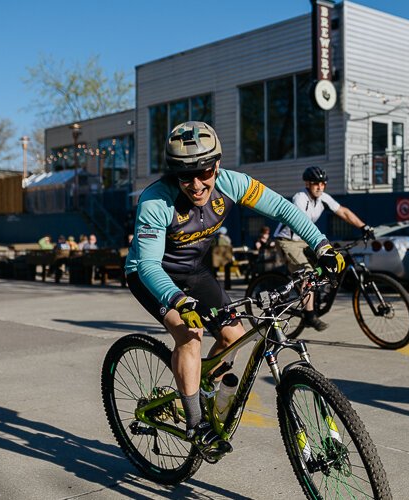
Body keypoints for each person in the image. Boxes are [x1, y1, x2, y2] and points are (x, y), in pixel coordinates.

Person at [124, 121, 344, 458]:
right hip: (151, 275)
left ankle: (201, 389)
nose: (196, 184)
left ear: (217, 165)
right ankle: (195, 422)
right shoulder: (156, 201)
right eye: (186, 176)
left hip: (194, 271)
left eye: (205, 172)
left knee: (232, 336)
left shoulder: (233, 184)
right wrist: (179, 301)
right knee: (190, 333)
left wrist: (321, 246)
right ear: (173, 174)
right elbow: (150, 266)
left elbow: (285, 209)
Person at [273, 165, 373, 331]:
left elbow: (344, 212)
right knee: (306, 273)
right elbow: (300, 223)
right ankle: (310, 315)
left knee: (330, 261)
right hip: (288, 240)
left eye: (323, 183)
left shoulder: (323, 198)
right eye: (315, 183)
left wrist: (364, 227)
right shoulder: (300, 198)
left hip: (306, 240)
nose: (319, 187)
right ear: (307, 184)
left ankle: (315, 294)